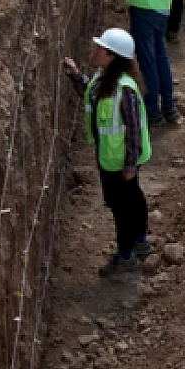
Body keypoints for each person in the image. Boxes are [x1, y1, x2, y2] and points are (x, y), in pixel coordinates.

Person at [62, 28, 152, 277]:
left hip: (119, 161)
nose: (95, 51)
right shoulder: (104, 79)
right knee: (131, 199)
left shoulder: (123, 90)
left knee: (122, 208)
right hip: (111, 157)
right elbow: (91, 95)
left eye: (99, 49)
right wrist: (76, 76)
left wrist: (130, 165)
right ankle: (139, 242)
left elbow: (133, 129)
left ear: (112, 56)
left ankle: (126, 257)